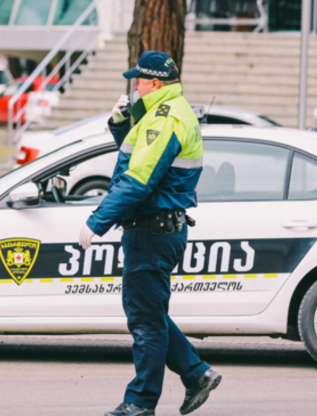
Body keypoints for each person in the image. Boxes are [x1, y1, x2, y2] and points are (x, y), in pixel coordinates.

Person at [78, 51, 221, 416]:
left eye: (138, 81)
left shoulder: (166, 118)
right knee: (150, 313)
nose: (135, 86)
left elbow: (139, 180)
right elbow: (138, 155)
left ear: (154, 83)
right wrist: (119, 122)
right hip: (157, 230)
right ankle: (196, 374)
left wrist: (97, 221)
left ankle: (140, 403)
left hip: (152, 232)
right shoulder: (164, 112)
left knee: (145, 320)